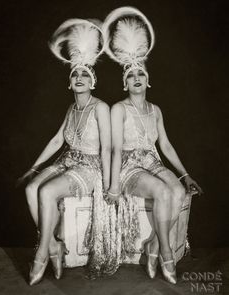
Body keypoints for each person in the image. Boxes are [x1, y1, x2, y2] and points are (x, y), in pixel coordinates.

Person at [103, 7, 203, 284]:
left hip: (152, 162)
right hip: (127, 167)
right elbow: (112, 148)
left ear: (148, 80)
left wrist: (185, 174)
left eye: (141, 75)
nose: (137, 78)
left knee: (179, 192)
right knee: (162, 190)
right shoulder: (118, 109)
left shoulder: (155, 110)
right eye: (131, 76)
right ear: (125, 84)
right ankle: (167, 253)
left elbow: (166, 146)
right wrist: (112, 185)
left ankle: (154, 246)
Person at [19, 19, 112, 285]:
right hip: (68, 161)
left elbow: (107, 148)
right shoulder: (72, 109)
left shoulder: (101, 107)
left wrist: (108, 184)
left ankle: (41, 254)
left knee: (46, 192)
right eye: (75, 74)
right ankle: (53, 245)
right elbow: (57, 139)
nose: (79, 78)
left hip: (89, 169)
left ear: (92, 82)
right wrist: (35, 168)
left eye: (85, 74)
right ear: (69, 83)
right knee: (30, 188)